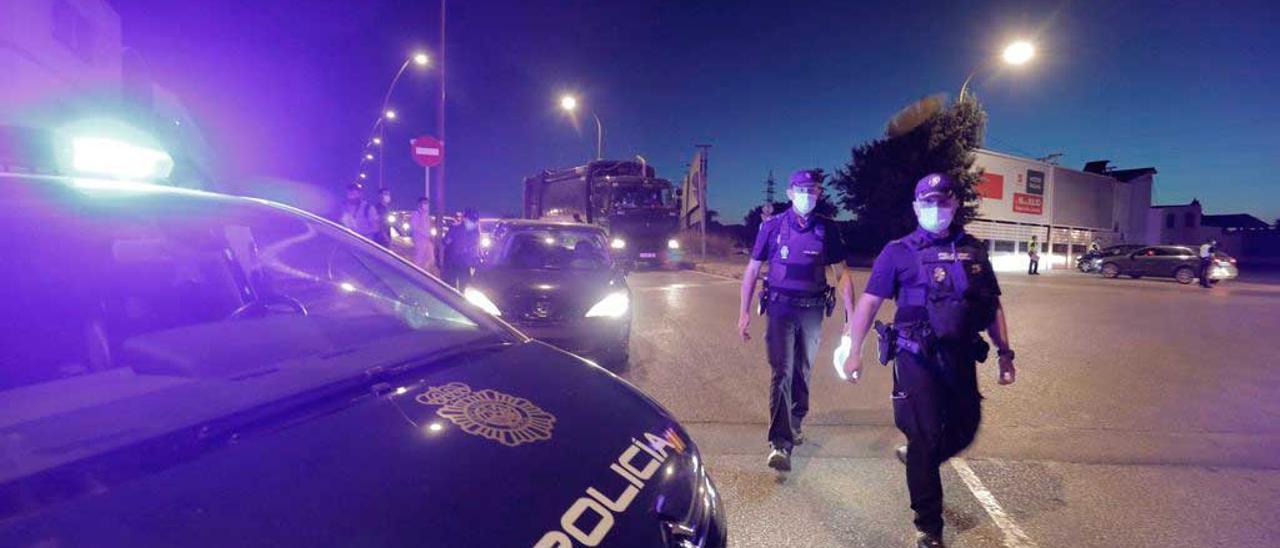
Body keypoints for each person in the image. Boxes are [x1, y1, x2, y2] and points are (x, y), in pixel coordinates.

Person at [839, 173, 1017, 548]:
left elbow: (992, 305)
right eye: (928, 202)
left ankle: (920, 463)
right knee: (924, 435)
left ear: (955, 205)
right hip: (915, 356)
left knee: (967, 427)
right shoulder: (898, 251)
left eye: (944, 201)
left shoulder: (973, 250)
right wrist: (854, 350)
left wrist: (1005, 353)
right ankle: (928, 526)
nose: (937, 209)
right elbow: (870, 303)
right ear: (916, 207)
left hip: (961, 355)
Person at [738, 169, 852, 472]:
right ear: (789, 193)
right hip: (779, 308)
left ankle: (797, 418)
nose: (808, 195)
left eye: (814, 190)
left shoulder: (828, 229)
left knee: (803, 369)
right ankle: (779, 443)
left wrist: (850, 317)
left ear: (819, 194)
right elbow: (752, 270)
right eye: (802, 189)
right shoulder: (772, 227)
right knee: (782, 372)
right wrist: (744, 312)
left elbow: (842, 274)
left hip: (813, 309)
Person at [441, 208, 481, 290]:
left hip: (465, 266)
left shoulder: (475, 232)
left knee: (465, 289)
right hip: (452, 264)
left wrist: (475, 260)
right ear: (465, 219)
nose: (473, 223)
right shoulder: (455, 229)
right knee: (450, 289)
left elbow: (475, 248)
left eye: (475, 221)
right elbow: (445, 243)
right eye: (471, 221)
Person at [410, 197, 439, 276]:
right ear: (419, 204)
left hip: (427, 241)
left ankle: (424, 273)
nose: (426, 205)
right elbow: (415, 227)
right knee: (418, 260)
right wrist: (426, 235)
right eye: (424, 203)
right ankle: (416, 275)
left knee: (431, 259)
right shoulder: (416, 214)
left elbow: (428, 227)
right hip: (419, 241)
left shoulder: (426, 214)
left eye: (427, 203)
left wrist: (431, 236)